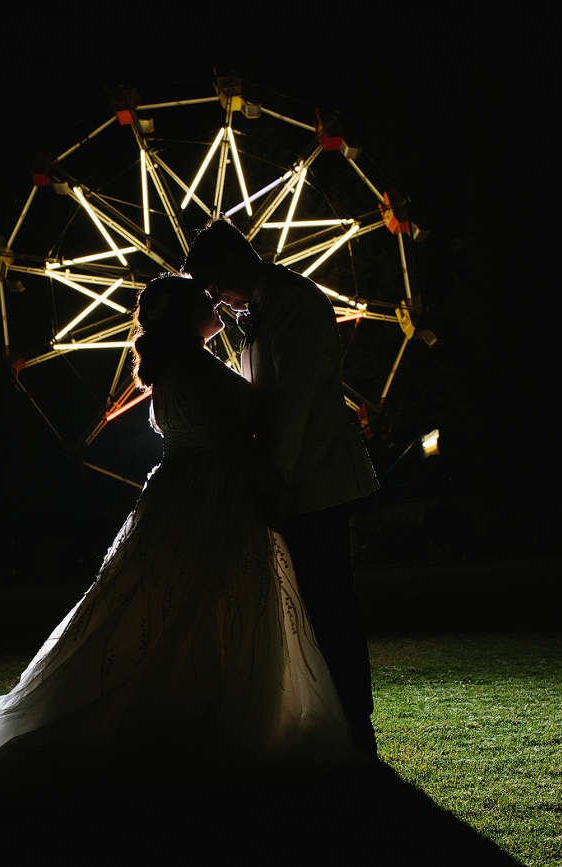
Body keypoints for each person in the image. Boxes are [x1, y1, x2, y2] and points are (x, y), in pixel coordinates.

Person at [0, 274, 360, 793]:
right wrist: (275, 489)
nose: (216, 301)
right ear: (187, 314)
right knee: (212, 606)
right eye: (204, 298)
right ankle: (208, 715)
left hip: (182, 496)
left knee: (168, 608)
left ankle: (187, 705)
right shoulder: (193, 365)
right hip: (211, 499)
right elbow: (232, 438)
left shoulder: (177, 365)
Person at [181, 218, 381, 758]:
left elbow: (291, 408)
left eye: (208, 282)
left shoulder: (295, 302)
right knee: (312, 610)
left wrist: (276, 486)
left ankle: (355, 726)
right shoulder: (261, 313)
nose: (210, 297)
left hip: (314, 479)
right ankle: (336, 722)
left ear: (228, 264)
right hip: (293, 480)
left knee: (331, 605)